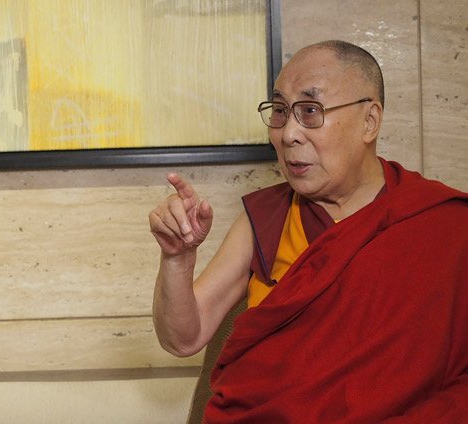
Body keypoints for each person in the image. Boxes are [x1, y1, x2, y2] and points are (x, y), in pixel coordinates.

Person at [149, 40, 468, 422]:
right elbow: (182, 338)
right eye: (281, 111)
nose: (288, 135)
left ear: (370, 120)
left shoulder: (443, 225)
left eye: (311, 111)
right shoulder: (267, 219)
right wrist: (177, 258)